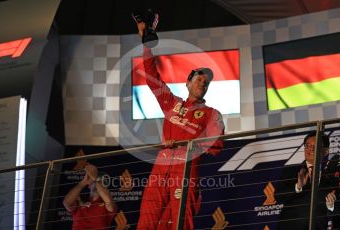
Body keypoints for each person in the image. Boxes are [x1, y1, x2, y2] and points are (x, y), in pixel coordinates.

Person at [134, 19, 225, 229]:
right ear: (187, 83)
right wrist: (146, 43)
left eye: (206, 83)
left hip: (185, 172)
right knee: (146, 223)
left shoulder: (212, 114)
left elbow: (217, 147)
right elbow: (150, 76)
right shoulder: (171, 103)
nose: (202, 84)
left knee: (178, 225)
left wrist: (186, 144)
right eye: (198, 80)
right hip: (160, 169)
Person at [276, 132, 340, 229]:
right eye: (308, 146)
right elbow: (278, 196)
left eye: (316, 145)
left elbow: (337, 208)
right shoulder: (292, 170)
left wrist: (331, 206)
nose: (311, 149)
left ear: (326, 151)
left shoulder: (332, 175)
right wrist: (297, 187)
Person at [63, 163, 117, 230]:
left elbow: (108, 201)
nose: (97, 184)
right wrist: (83, 183)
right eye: (93, 182)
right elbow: (66, 203)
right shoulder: (79, 202)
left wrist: (95, 178)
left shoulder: (107, 204)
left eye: (101, 182)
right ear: (89, 185)